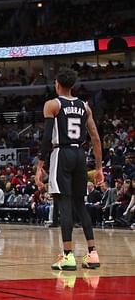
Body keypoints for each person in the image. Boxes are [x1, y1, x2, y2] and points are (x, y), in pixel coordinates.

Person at [35, 67, 104, 271]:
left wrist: (40, 165)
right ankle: (92, 253)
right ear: (72, 85)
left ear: (57, 83)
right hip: (80, 155)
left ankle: (67, 256)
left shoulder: (52, 104)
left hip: (61, 153)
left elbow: (47, 137)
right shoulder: (85, 106)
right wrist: (99, 167)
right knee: (79, 204)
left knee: (64, 204)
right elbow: (96, 138)